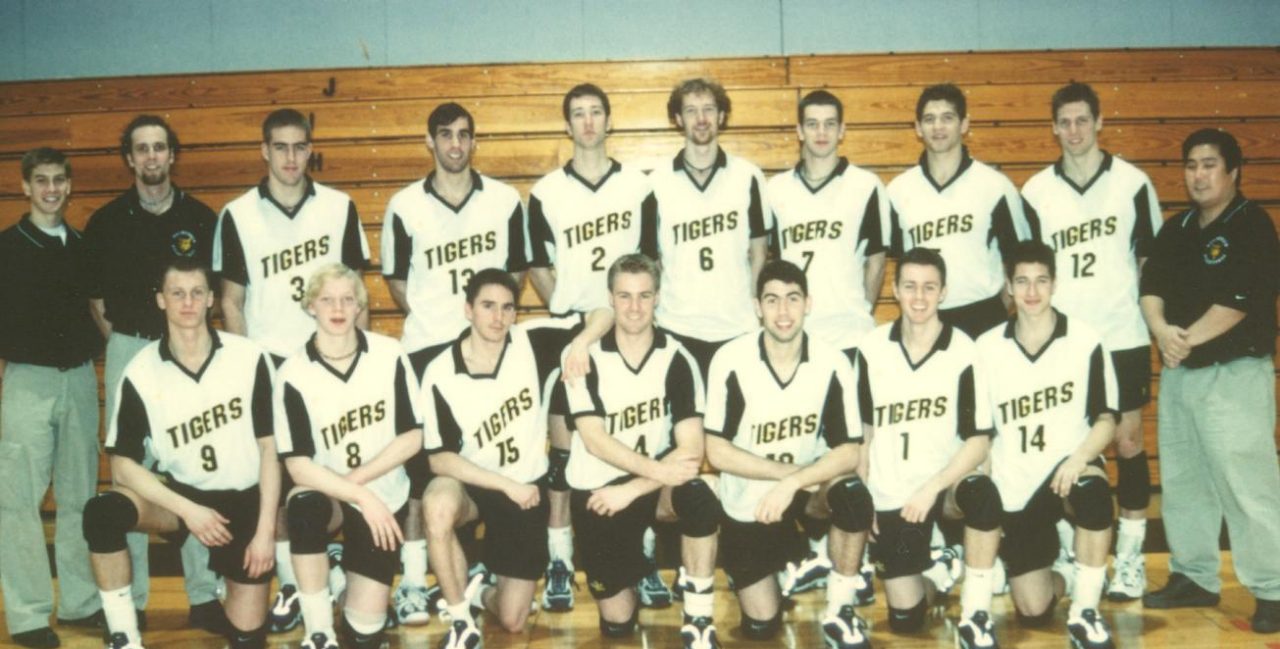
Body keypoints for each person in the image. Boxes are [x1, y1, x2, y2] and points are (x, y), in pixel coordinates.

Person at [216, 108, 370, 631]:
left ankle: (343, 569)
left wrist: (358, 355)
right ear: (264, 150)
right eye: (279, 147)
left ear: (310, 150)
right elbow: (231, 300)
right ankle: (290, 582)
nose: (289, 157)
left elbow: (357, 293)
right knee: (278, 480)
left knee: (338, 466)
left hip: (329, 358)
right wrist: (247, 367)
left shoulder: (339, 207)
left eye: (299, 147)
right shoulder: (237, 214)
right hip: (269, 363)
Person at [82, 260, 279, 649]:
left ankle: (230, 591)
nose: (187, 303)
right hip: (181, 498)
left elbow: (269, 449)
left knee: (247, 639)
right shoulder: (141, 371)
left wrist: (264, 533)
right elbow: (122, 465)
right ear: (161, 300)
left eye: (196, 293)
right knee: (102, 512)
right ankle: (124, 634)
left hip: (244, 500)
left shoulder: (249, 357)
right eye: (177, 293)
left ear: (211, 299)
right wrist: (189, 510)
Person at [381, 102, 527, 622]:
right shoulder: (404, 205)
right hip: (427, 349)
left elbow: (514, 275)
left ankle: (477, 569)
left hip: (490, 349)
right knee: (423, 474)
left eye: (464, 134)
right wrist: (438, 320)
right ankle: (414, 579)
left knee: (488, 452)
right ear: (430, 141)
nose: (456, 144)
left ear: (474, 140)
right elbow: (398, 282)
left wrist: (484, 325)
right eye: (445, 135)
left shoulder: (504, 200)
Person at [1021, 82, 1163, 600]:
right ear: (1053, 127)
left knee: (1127, 443)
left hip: (1122, 335)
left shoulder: (1133, 183)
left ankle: (1130, 557)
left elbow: (1150, 264)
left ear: (1100, 122)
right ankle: (1068, 546)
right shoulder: (1036, 191)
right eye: (1065, 122)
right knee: (1065, 445)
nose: (1074, 130)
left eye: (1083, 120)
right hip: (1064, 342)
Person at [82, 115, 224, 627]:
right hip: (129, 348)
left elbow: (215, 293)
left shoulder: (201, 218)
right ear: (129, 158)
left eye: (159, 147)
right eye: (141, 149)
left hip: (191, 352)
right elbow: (97, 300)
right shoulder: (106, 221)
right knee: (133, 470)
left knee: (195, 464)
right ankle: (134, 600)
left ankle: (204, 595)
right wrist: (130, 348)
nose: (151, 157)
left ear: (172, 155)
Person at [1139, 128, 1280, 634]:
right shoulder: (1177, 229)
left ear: (1233, 171)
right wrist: (1162, 331)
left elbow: (1239, 301)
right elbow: (1150, 287)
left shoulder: (1252, 225)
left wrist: (1183, 340)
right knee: (1184, 481)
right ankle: (1194, 575)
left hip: (1234, 374)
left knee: (1247, 485)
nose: (1198, 175)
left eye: (1209, 165)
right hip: (1182, 375)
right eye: (1191, 165)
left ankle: (1273, 588)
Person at [523, 84, 649, 613]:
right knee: (563, 455)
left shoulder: (638, 186)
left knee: (633, 440)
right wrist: (568, 309)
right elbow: (537, 263)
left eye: (597, 112)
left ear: (609, 120)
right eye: (579, 114)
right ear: (568, 124)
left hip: (625, 327)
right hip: (570, 330)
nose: (589, 121)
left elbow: (650, 258)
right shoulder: (547, 192)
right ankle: (559, 557)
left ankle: (641, 556)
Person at [704, 260, 872, 649]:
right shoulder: (730, 359)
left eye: (793, 299)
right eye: (772, 300)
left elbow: (849, 451)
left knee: (850, 492)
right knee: (761, 625)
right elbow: (717, 452)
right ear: (757, 306)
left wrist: (794, 482)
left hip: (806, 493)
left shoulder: (832, 362)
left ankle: (841, 608)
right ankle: (790, 562)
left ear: (808, 304)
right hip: (750, 500)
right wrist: (786, 476)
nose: (783, 311)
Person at [562, 253, 722, 647]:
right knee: (618, 623)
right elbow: (594, 439)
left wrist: (632, 489)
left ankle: (699, 619)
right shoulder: (583, 358)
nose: (634, 307)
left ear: (657, 298)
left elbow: (690, 448)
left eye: (644, 296)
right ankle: (638, 561)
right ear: (611, 299)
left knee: (700, 495)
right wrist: (644, 478)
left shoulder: (678, 359)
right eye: (625, 296)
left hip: (650, 489)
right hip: (599, 491)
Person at [767, 88, 888, 602]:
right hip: (799, 338)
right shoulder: (775, 191)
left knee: (855, 450)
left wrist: (856, 310)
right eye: (811, 123)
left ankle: (854, 560)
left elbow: (876, 260)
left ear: (842, 130)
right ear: (799, 130)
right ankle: (815, 547)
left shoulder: (866, 186)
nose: (820, 132)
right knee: (805, 447)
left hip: (851, 337)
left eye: (829, 124)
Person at [852, 247, 1003, 647]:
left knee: (982, 492)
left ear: (944, 292)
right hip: (894, 493)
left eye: (929, 287)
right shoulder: (871, 348)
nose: (919, 297)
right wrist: (864, 493)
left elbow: (978, 441)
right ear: (895, 290)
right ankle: (941, 568)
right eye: (910, 286)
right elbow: (864, 430)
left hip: (946, 488)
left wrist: (932, 488)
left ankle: (976, 613)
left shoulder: (964, 350)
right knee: (906, 617)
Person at [973, 240, 1118, 649]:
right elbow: (981, 432)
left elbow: (1107, 419)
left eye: (1041, 281)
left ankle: (1086, 610)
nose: (1032, 291)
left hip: (1067, 470)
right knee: (1033, 609)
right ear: (1009, 286)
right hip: (1016, 484)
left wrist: (1080, 458)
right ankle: (1072, 572)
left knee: (1091, 491)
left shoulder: (1086, 340)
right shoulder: (986, 347)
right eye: (1022, 281)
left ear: (1055, 284)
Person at [274, 263, 423, 649]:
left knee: (364, 634)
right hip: (330, 497)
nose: (338, 308)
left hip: (384, 495)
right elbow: (298, 465)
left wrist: (360, 487)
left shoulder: (390, 355)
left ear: (360, 306)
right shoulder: (292, 373)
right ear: (310, 306)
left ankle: (337, 578)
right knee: (303, 505)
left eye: (347, 299)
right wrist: (357, 495)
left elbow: (413, 436)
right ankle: (319, 632)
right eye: (327, 300)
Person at [0, 148, 102, 649]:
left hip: (78, 379)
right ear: (25, 186)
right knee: (18, 500)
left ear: (69, 185)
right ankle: (27, 614)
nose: (51, 189)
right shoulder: (6, 247)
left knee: (80, 496)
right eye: (41, 180)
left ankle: (80, 601)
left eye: (59, 180)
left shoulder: (82, 245)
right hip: (27, 381)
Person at [640, 77, 771, 380]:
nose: (701, 119)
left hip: (738, 325)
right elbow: (651, 260)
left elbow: (760, 252)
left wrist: (753, 308)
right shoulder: (656, 182)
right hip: (677, 325)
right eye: (691, 111)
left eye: (709, 109)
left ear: (721, 116)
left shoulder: (748, 176)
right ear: (678, 119)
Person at [887, 83, 1031, 339]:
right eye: (929, 119)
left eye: (947, 118)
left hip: (982, 317)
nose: (938, 127)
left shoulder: (995, 187)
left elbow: (1021, 260)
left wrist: (998, 309)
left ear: (964, 124)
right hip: (922, 317)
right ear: (918, 128)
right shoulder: (898, 191)